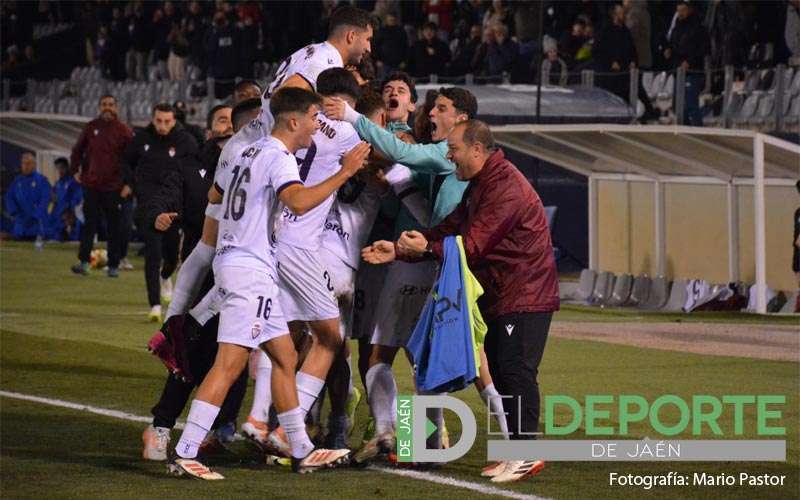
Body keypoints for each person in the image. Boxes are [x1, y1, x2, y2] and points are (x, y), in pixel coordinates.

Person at [167, 87, 370, 479]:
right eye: (314, 117)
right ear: (294, 121)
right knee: (230, 363)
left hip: (243, 261)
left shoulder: (246, 150)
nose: (317, 124)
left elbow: (217, 191)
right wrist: (344, 171)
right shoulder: (278, 156)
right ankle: (185, 449)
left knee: (284, 356)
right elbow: (296, 201)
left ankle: (301, 449)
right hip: (250, 269)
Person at [363, 119, 559, 483]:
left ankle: (522, 451)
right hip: (503, 292)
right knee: (501, 370)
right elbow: (453, 227)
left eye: (453, 149)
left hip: (523, 293)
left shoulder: (504, 187)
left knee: (514, 371)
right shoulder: (482, 183)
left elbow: (472, 244)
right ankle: (509, 450)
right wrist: (402, 250)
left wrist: (421, 248)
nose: (448, 156)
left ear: (478, 149)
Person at [142, 104, 247, 461]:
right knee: (200, 358)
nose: (229, 126)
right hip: (215, 279)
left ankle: (246, 431)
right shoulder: (194, 168)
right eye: (222, 119)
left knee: (254, 359)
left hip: (262, 278)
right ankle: (167, 430)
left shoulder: (269, 161)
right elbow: (204, 246)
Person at [122, 103, 198, 321]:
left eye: (167, 121)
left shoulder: (185, 141)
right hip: (148, 206)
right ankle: (155, 305)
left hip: (173, 206)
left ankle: (167, 276)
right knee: (152, 254)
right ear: (153, 119)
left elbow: (195, 166)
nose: (162, 125)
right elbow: (127, 161)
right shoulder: (142, 138)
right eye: (159, 121)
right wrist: (131, 184)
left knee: (172, 255)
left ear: (174, 121)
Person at [70, 94, 133, 277]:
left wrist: (130, 184)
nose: (107, 107)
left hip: (114, 187)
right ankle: (83, 262)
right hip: (92, 184)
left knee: (114, 227)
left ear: (116, 108)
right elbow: (77, 150)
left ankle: (113, 265)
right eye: (104, 104)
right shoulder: (91, 127)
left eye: (111, 105)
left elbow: (133, 159)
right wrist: (75, 170)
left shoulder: (124, 131)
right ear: (99, 107)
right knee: (89, 225)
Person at [664, 1, 709, 126]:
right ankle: (685, 132)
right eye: (678, 11)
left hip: (692, 71)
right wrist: (668, 51)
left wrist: (689, 61)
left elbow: (703, 49)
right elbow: (672, 45)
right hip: (678, 71)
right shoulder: (677, 28)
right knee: (679, 107)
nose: (680, 14)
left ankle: (699, 132)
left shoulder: (699, 28)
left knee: (691, 105)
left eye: (683, 10)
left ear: (689, 10)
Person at [4, 152, 50, 244]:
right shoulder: (17, 181)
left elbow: (45, 200)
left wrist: (35, 216)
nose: (25, 166)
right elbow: (9, 197)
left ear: (34, 164)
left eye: (28, 163)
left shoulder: (42, 180)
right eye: (23, 163)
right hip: (20, 226)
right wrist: (14, 212)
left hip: (37, 226)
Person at [47, 157, 82, 241]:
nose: (60, 170)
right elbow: (53, 199)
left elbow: (75, 199)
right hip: (58, 219)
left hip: (68, 218)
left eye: (62, 167)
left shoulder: (72, 182)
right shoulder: (57, 184)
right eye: (58, 168)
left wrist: (71, 214)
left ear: (67, 167)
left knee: (72, 242)